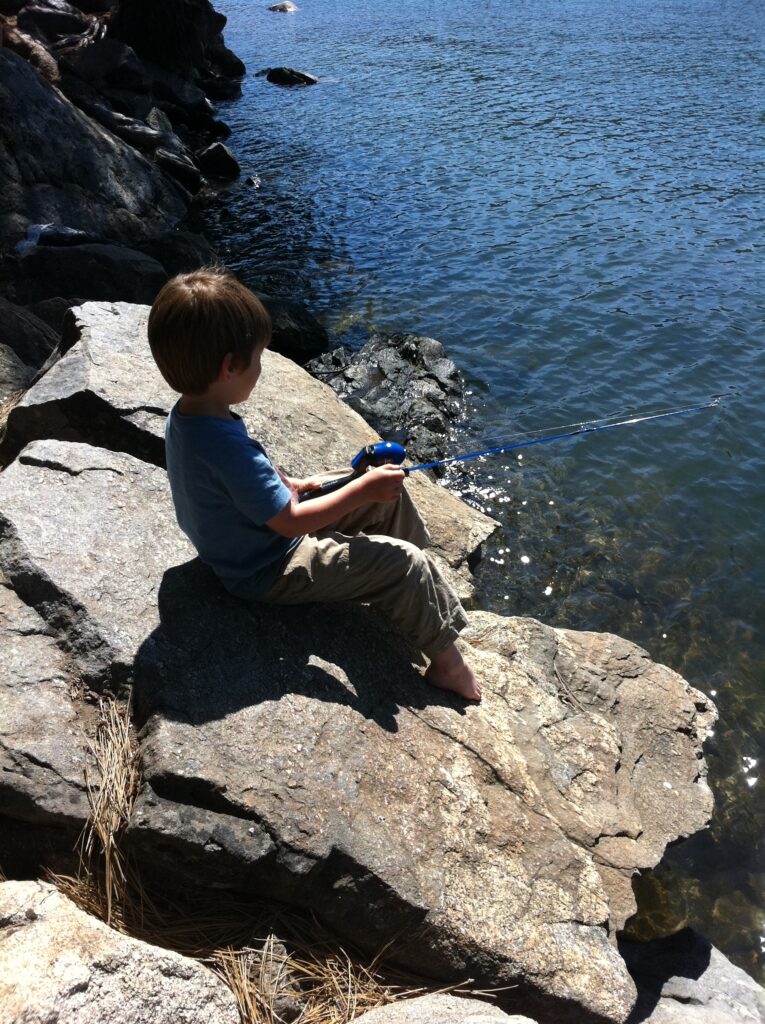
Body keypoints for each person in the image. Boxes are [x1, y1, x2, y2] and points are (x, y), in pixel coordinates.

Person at [148, 268, 480, 701]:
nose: (262, 368)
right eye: (259, 358)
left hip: (252, 538)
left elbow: (239, 485)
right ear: (229, 367)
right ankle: (447, 665)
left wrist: (292, 482)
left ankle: (411, 601)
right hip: (266, 568)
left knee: (379, 489)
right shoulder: (223, 445)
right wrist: (358, 492)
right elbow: (289, 523)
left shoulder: (192, 414)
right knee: (404, 560)